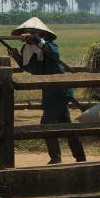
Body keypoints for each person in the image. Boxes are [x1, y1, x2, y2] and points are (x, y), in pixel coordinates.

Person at [7, 17, 86, 165]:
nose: (27, 35)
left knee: (46, 124)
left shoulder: (49, 45)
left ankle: (56, 158)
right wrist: (16, 56)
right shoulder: (27, 49)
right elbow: (31, 69)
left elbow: (54, 55)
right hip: (49, 91)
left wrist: (37, 41)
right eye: (27, 32)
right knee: (66, 125)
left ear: (40, 34)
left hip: (60, 89)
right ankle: (80, 156)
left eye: (32, 32)